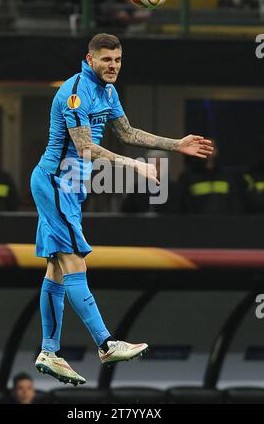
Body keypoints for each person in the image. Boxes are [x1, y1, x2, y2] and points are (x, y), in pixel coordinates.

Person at [30, 33, 213, 386]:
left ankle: (49, 351)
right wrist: (136, 167)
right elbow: (84, 147)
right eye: (106, 60)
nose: (112, 66)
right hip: (55, 183)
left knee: (56, 268)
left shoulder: (108, 92)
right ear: (90, 59)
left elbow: (127, 132)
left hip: (70, 188)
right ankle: (106, 343)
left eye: (117, 60)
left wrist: (176, 144)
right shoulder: (75, 93)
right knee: (74, 261)